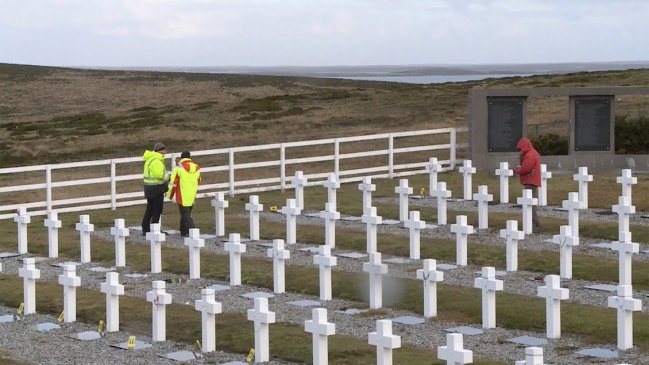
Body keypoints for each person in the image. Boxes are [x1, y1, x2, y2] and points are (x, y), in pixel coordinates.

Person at [166, 151, 201, 237]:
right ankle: (183, 231)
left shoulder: (178, 169)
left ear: (182, 158)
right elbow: (199, 180)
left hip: (182, 194)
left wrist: (169, 195)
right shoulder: (196, 168)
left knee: (185, 215)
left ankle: (193, 231)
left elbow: (173, 183)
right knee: (185, 213)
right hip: (192, 195)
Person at [142, 142, 169, 234]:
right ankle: (155, 230)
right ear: (161, 150)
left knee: (150, 209)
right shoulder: (156, 161)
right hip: (156, 188)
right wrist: (168, 176)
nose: (165, 151)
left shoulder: (150, 159)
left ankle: (146, 229)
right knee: (157, 209)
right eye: (164, 149)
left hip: (149, 188)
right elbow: (159, 175)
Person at [513, 137, 541, 227]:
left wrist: (516, 170)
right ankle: (534, 221)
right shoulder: (530, 153)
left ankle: (533, 221)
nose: (520, 151)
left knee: (530, 203)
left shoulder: (530, 155)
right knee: (531, 202)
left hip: (531, 181)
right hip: (531, 180)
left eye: (521, 149)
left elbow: (525, 168)